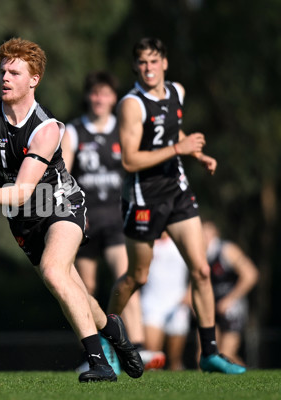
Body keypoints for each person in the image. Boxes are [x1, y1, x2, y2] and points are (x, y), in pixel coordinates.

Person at [0, 37, 143, 383]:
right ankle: (114, 330)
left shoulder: (46, 129)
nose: (5, 77)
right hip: (24, 221)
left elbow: (23, 191)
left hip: (62, 205)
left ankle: (98, 362)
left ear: (34, 79)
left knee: (54, 271)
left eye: (15, 72)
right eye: (3, 70)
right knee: (78, 293)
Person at [105, 37, 246, 374]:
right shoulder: (131, 105)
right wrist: (179, 149)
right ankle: (105, 343)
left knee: (200, 269)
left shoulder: (177, 92)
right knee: (137, 276)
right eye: (142, 62)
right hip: (143, 198)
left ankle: (209, 354)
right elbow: (129, 159)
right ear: (136, 67)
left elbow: (172, 135)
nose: (148, 68)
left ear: (165, 63)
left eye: (154, 61)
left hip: (177, 191)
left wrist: (196, 155)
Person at [61, 71, 149, 373]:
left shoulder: (123, 131)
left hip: (116, 222)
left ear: (114, 98)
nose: (100, 99)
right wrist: (69, 212)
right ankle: (92, 354)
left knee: (126, 279)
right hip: (83, 222)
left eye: (106, 93)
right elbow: (64, 176)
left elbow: (138, 171)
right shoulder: (73, 132)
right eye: (95, 93)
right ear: (89, 96)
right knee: (82, 289)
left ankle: (137, 347)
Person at [202, 220, 259, 366]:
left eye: (207, 233)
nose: (203, 237)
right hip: (212, 308)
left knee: (227, 354)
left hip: (232, 308)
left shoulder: (227, 250)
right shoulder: (201, 255)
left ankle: (248, 380)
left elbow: (251, 274)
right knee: (206, 354)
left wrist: (229, 299)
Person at [141, 232, 191, 370]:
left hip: (178, 304)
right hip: (152, 303)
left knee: (175, 359)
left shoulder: (180, 241)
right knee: (152, 357)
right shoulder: (145, 242)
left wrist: (190, 292)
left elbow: (198, 267)